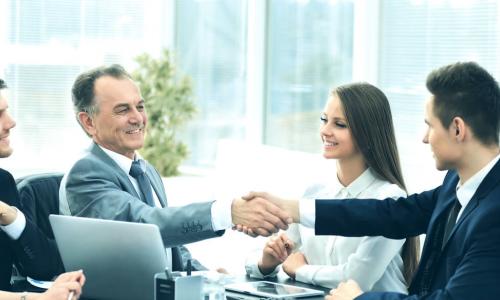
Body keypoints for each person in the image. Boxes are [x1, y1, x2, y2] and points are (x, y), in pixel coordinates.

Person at [242, 62, 500, 299]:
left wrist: (357, 298)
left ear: (457, 129)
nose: (424, 138)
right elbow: (390, 214)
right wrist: (293, 209)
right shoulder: (455, 183)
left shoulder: (495, 215)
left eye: (429, 126)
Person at [59, 64, 291, 271]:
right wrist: (227, 212)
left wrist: (209, 279)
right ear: (89, 122)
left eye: (139, 106)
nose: (137, 118)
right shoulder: (86, 172)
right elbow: (144, 227)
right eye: (122, 110)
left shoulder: (145, 170)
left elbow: (173, 249)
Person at [244, 83, 419, 292]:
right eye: (324, 120)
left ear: (368, 133)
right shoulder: (314, 193)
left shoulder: (390, 201)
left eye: (340, 124)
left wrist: (301, 270)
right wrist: (268, 261)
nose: (325, 131)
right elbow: (265, 259)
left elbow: (357, 279)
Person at [0, 79, 86, 299]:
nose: (11, 123)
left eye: (7, 111)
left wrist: (9, 216)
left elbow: (44, 268)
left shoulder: (3, 182)